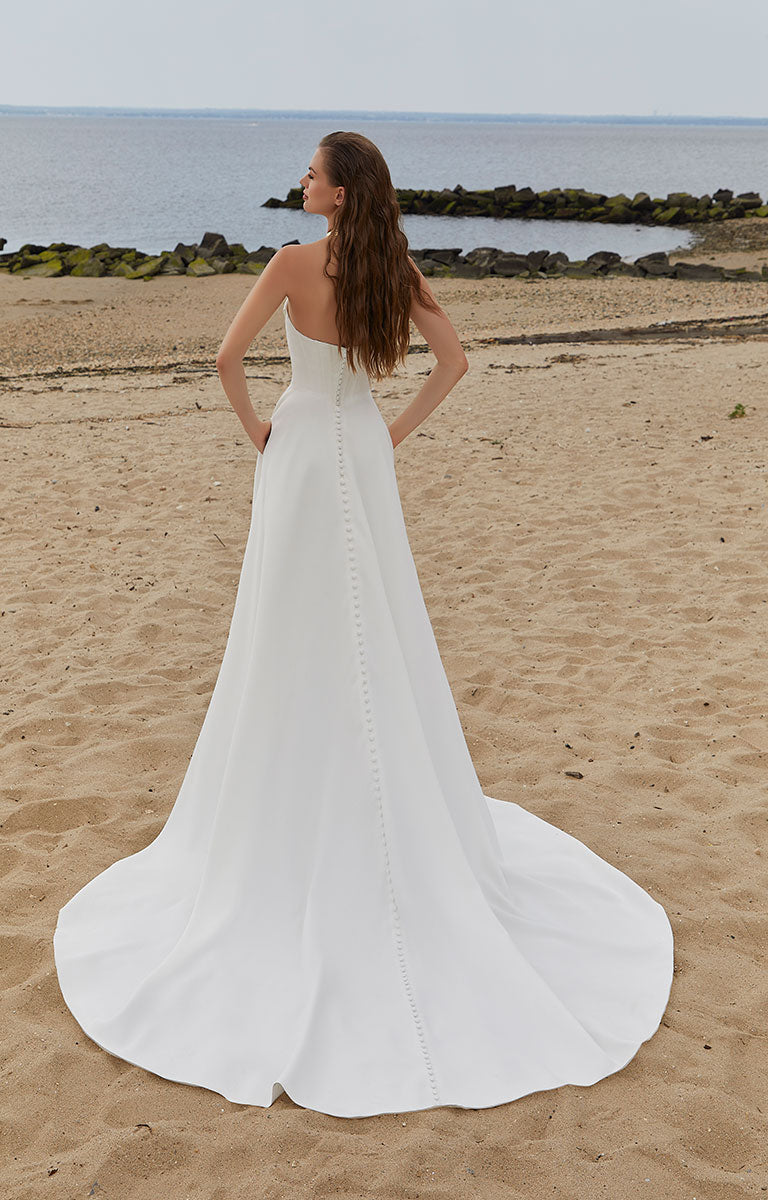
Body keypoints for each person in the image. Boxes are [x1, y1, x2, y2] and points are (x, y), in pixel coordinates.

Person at [53, 131, 674, 1120]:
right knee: (376, 627)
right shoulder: (393, 265)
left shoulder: (292, 265)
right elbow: (455, 362)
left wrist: (261, 427)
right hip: (359, 456)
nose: (300, 182)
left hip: (300, 455)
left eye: (311, 173)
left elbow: (223, 360)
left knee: (285, 636)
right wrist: (388, 432)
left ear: (339, 193)